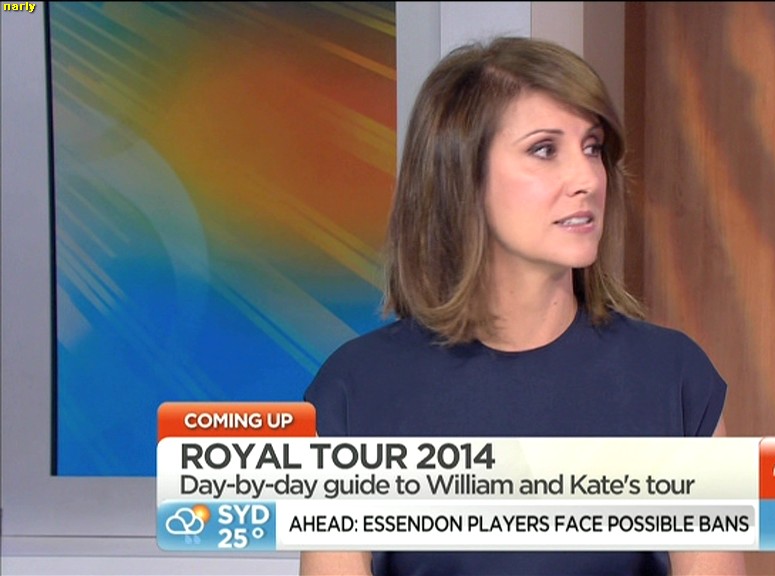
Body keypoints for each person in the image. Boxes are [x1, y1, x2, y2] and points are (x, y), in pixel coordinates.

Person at [302, 36, 746, 576]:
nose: (587, 179)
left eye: (592, 147)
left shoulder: (673, 379)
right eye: (544, 150)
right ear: (461, 177)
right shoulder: (355, 390)